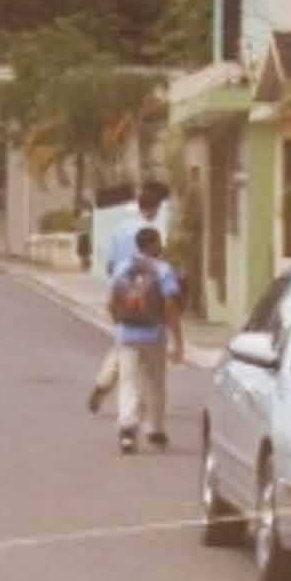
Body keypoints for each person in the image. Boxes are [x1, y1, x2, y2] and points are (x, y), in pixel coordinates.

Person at [89, 186, 166, 413]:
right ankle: (135, 404)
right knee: (142, 349)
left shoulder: (120, 228)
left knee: (124, 341)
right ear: (152, 209)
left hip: (120, 293)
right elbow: (156, 264)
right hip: (146, 294)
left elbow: (110, 263)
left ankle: (104, 382)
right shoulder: (151, 233)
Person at [107, 226, 183, 455]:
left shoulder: (121, 268)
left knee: (128, 381)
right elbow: (170, 306)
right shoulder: (163, 269)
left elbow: (111, 301)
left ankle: (127, 431)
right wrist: (177, 339)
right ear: (154, 245)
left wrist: (119, 324)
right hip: (153, 334)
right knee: (156, 382)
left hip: (126, 334)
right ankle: (155, 429)